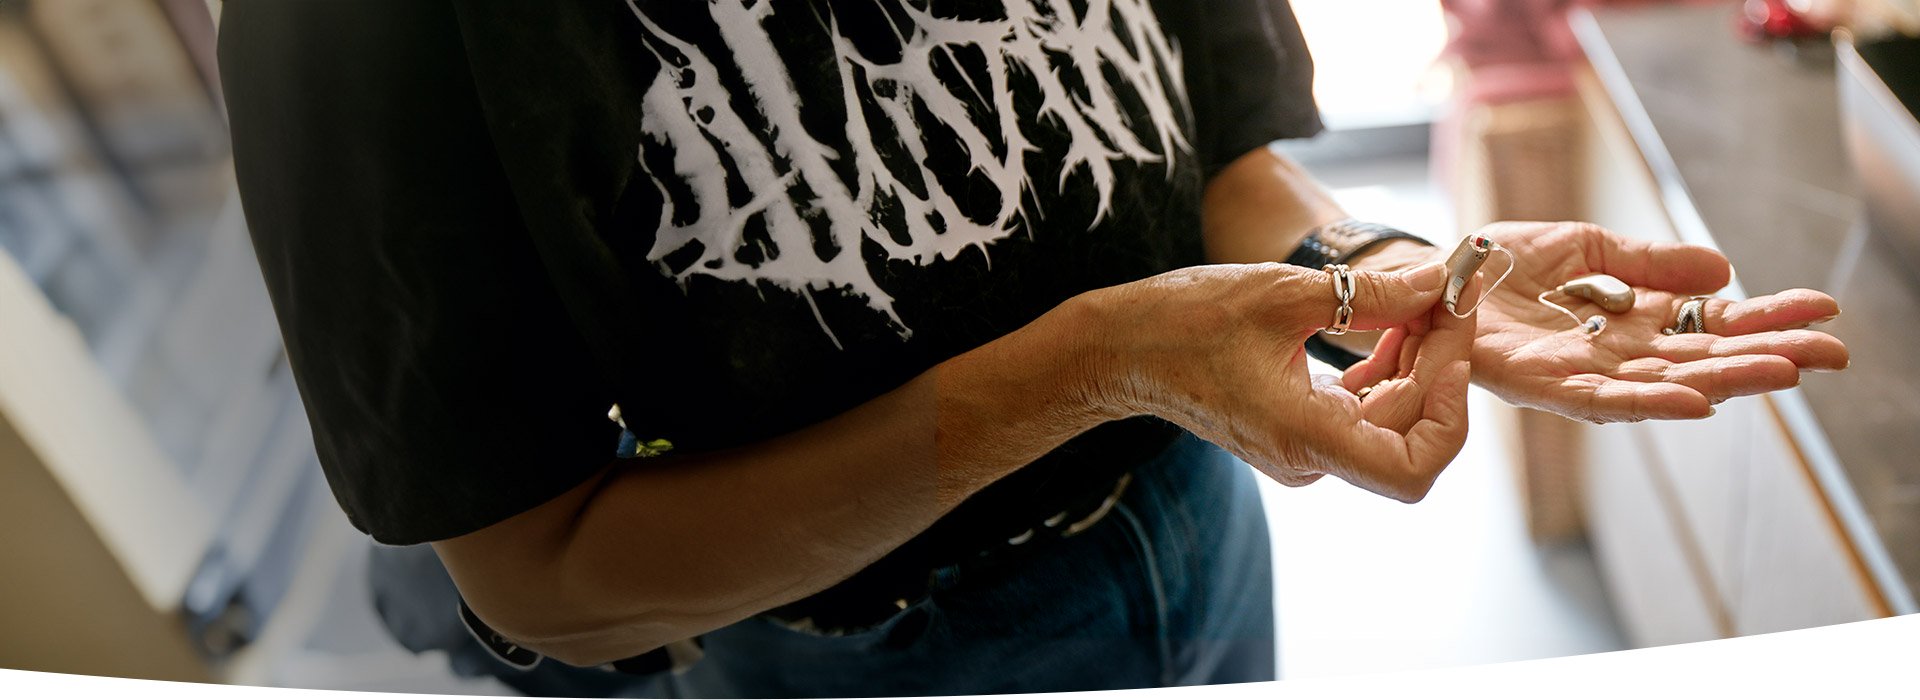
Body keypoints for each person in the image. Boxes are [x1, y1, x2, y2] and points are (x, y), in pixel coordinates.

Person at [217, 1, 1848, 696]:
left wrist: (1383, 277)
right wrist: (1093, 365)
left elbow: (1223, 162)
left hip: (1203, 534)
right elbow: (538, 573)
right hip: (856, 651)